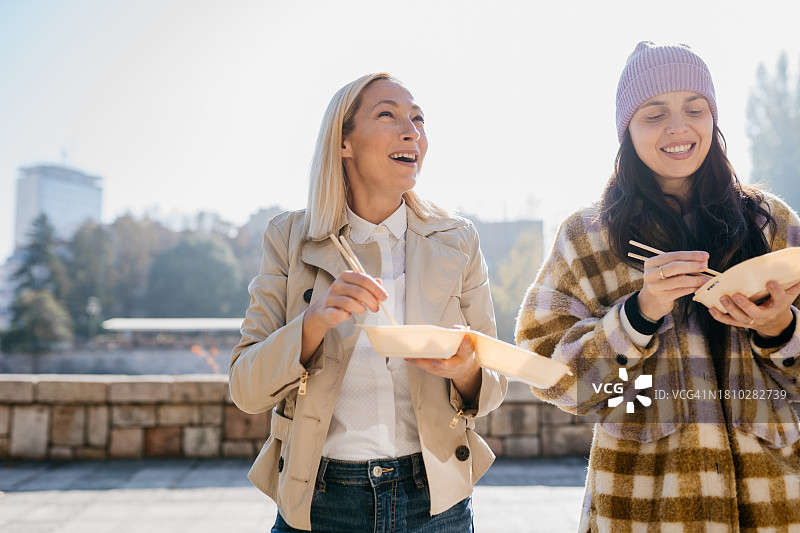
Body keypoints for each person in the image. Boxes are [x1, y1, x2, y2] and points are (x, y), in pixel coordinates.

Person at [516, 41, 800, 531]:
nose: (678, 127)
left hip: (775, 502)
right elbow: (550, 377)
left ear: (714, 119)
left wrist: (780, 328)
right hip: (641, 506)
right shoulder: (587, 236)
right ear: (626, 129)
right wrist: (638, 315)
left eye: (695, 109)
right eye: (654, 114)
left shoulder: (771, 225)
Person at [229, 72, 507, 532]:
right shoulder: (288, 238)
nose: (411, 131)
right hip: (319, 505)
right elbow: (245, 388)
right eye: (387, 115)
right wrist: (312, 324)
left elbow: (495, 384)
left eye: (417, 118)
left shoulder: (458, 240)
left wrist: (466, 370)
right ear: (344, 142)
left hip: (435, 506)